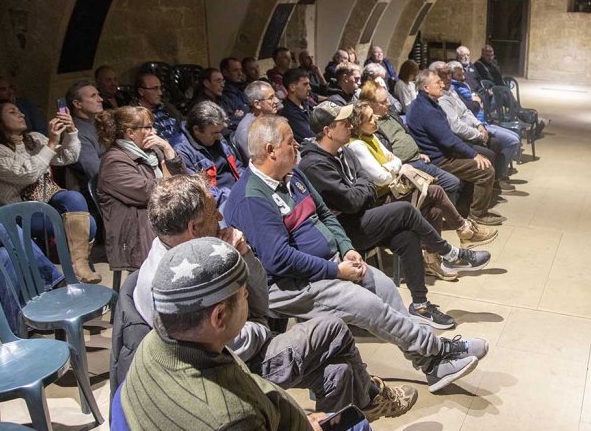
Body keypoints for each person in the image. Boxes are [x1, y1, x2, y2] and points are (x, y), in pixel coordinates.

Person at [225, 115, 489, 391]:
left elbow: (325, 214)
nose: (297, 147)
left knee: (385, 288)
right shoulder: (251, 198)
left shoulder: (293, 174)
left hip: (328, 263)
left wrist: (346, 248)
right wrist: (336, 271)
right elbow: (279, 259)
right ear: (270, 150)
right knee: (369, 305)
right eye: (291, 143)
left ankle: (432, 364)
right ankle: (438, 350)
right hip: (290, 284)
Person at [123, 175, 416, 419]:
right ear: (193, 228)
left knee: (338, 371)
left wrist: (246, 256)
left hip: (242, 340)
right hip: (225, 368)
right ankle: (371, 398)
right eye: (214, 213)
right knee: (332, 328)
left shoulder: (200, 248)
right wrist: (263, 327)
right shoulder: (173, 282)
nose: (222, 217)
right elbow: (234, 344)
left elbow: (259, 301)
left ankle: (355, 408)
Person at [120, 237, 316, 430]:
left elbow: (244, 380)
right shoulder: (235, 419)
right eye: (243, 293)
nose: (248, 296)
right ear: (219, 316)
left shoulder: (154, 343)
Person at [300, 101, 494, 290]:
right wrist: (364, 186)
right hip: (346, 230)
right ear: (328, 131)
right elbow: (354, 200)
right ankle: (451, 253)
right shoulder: (315, 164)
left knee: (408, 234)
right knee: (406, 210)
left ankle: (420, 304)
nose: (350, 125)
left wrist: (362, 186)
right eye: (344, 123)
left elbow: (367, 184)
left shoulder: (343, 151)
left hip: (364, 213)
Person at [345, 101, 497, 247]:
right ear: (358, 125)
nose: (376, 118)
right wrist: (394, 166)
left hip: (393, 188)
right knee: (436, 191)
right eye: (370, 118)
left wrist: (390, 165)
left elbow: (396, 160)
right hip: (380, 199)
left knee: (435, 210)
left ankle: (433, 256)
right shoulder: (357, 145)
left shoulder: (371, 136)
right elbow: (381, 178)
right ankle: (464, 229)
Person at [0, 100, 100, 283]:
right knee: (89, 224)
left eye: (20, 110)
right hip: (20, 213)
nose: (22, 114)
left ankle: (79, 266)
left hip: (48, 199)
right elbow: (27, 174)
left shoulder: (34, 138)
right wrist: (52, 143)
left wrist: (71, 131)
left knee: (74, 197)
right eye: (13, 112)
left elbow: (68, 157)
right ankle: (65, 275)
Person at [406, 70, 504, 226]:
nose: (442, 84)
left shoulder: (425, 103)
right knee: (485, 170)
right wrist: (473, 154)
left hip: (443, 153)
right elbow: (448, 140)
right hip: (440, 160)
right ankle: (478, 214)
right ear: (426, 87)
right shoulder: (426, 110)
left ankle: (464, 209)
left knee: (482, 159)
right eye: (437, 82)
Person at [95, 106, 186, 272]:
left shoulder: (154, 150)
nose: (154, 131)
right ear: (130, 133)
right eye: (148, 127)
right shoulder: (114, 162)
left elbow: (182, 179)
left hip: (160, 216)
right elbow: (148, 192)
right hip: (137, 234)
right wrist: (171, 180)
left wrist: (168, 149)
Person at [358, 81, 461, 202]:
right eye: (384, 101)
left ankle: (443, 217)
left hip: (418, 159)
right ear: (370, 104)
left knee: (452, 182)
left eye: (387, 99)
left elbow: (406, 134)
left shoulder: (390, 113)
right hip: (403, 167)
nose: (389, 103)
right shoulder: (370, 126)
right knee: (439, 188)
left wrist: (419, 152)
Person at [433, 61, 519, 191]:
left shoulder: (451, 91)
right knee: (491, 152)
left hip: (475, 127)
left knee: (496, 143)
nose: (447, 81)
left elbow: (466, 111)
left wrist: (479, 125)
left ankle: (495, 181)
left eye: (449, 78)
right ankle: (479, 194)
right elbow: (456, 126)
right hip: (460, 138)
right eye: (444, 79)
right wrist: (478, 134)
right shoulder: (442, 99)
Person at [173, 101, 243, 206]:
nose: (219, 136)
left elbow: (237, 165)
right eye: (214, 133)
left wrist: (249, 184)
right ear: (196, 130)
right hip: (220, 204)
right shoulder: (181, 151)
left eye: (220, 131)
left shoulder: (217, 137)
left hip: (237, 192)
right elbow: (202, 191)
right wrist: (235, 197)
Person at [65, 80, 105, 185]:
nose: (100, 99)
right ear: (77, 104)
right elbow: (95, 171)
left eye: (99, 95)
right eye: (93, 96)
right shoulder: (76, 132)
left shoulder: (99, 123)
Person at [135, 72, 186, 146]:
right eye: (155, 88)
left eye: (160, 88)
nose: (160, 93)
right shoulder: (135, 114)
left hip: (182, 146)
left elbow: (183, 122)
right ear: (141, 91)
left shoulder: (166, 106)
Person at [235, 81, 280, 163]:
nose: (276, 101)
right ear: (257, 104)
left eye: (275, 96)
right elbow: (259, 163)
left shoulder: (268, 120)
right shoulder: (247, 130)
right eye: (271, 98)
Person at [280, 67, 316, 142]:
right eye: (305, 84)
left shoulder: (306, 104)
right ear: (292, 87)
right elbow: (312, 137)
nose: (309, 88)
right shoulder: (289, 113)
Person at [219, 57, 249, 131]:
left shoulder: (243, 87)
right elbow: (228, 121)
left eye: (240, 70)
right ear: (225, 72)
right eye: (235, 70)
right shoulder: (223, 94)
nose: (240, 74)